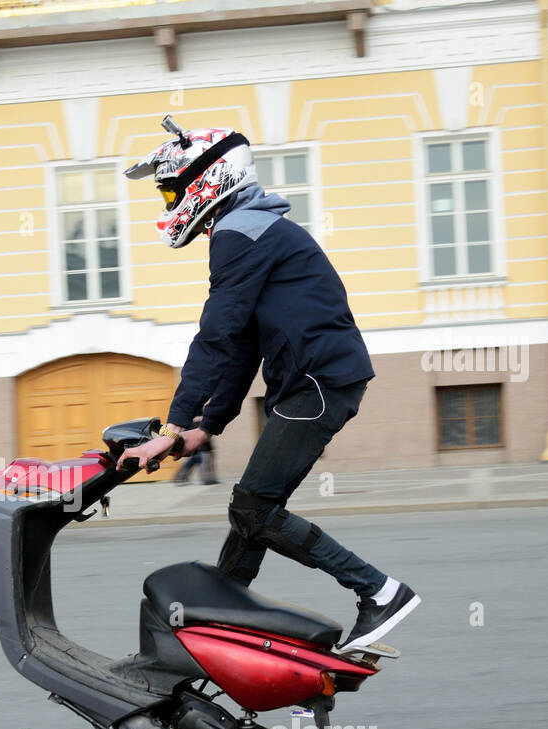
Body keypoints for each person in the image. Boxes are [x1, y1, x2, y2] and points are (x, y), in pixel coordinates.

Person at [119, 117, 419, 654]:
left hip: (318, 384)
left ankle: (378, 589)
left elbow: (215, 336)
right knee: (251, 508)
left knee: (254, 507)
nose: (168, 201)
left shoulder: (241, 232)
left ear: (206, 178)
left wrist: (172, 426)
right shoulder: (252, 228)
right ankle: (224, 615)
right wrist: (203, 426)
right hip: (320, 381)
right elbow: (240, 347)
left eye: (170, 188)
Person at [171, 414, 218, 486]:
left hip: (197, 446)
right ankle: (206, 479)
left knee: (194, 461)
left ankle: (180, 477)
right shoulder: (197, 421)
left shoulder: (193, 421)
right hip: (199, 445)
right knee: (203, 461)